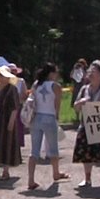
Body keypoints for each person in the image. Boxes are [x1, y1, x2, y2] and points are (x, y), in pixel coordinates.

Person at [72, 60, 100, 188]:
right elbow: (75, 107)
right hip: (86, 125)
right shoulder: (84, 89)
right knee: (85, 152)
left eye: (94, 71)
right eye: (89, 71)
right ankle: (87, 179)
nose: (90, 73)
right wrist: (80, 103)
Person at [27, 62, 69, 190]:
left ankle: (30, 179)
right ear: (51, 73)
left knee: (34, 150)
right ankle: (56, 172)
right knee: (53, 148)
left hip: (36, 117)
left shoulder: (36, 84)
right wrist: (57, 117)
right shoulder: (56, 86)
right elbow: (57, 105)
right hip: (49, 117)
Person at [0, 65, 21, 180]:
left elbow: (14, 108)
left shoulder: (12, 89)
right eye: (0, 75)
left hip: (7, 119)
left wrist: (11, 122)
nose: (2, 78)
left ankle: (6, 170)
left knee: (7, 144)